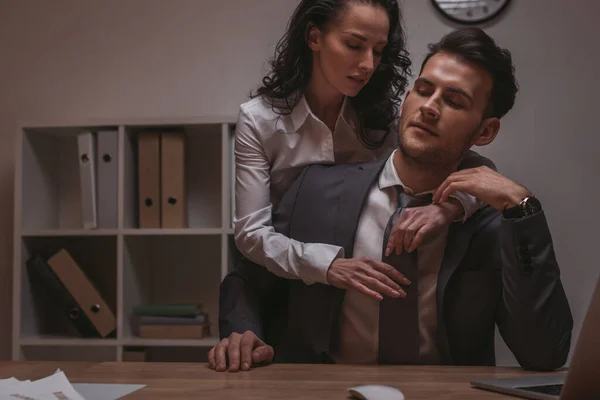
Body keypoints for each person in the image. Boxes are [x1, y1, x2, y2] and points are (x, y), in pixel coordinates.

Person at [211, 27, 573, 372]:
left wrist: (524, 205)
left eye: (454, 101)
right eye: (423, 89)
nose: (430, 107)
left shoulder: (493, 223)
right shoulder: (315, 189)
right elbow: (246, 280)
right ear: (405, 102)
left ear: (486, 131)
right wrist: (244, 332)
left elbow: (544, 353)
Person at [233, 0, 495, 302]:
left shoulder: (383, 119)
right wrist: (329, 265)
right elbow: (250, 234)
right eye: (354, 45)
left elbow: (480, 172)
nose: (369, 64)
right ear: (314, 37)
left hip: (367, 288)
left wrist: (447, 208)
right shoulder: (259, 120)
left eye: (378, 51)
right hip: (285, 285)